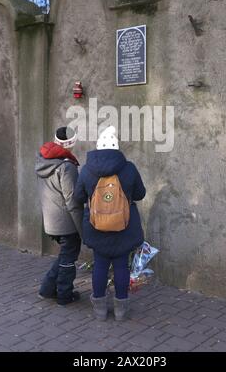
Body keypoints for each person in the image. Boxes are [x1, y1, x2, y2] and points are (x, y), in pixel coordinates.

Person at [74, 125, 146, 321]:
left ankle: (99, 310)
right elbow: (140, 193)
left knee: (100, 265)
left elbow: (77, 197)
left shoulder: (87, 170)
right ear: (116, 148)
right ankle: (121, 310)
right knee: (122, 266)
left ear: (98, 147)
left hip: (97, 226)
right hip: (124, 226)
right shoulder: (129, 168)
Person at [35, 126, 83, 306]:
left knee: (64, 255)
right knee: (69, 259)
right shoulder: (66, 167)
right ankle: (64, 295)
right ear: (71, 143)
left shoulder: (42, 161)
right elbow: (73, 201)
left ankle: (47, 289)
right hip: (66, 222)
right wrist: (82, 229)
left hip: (50, 220)